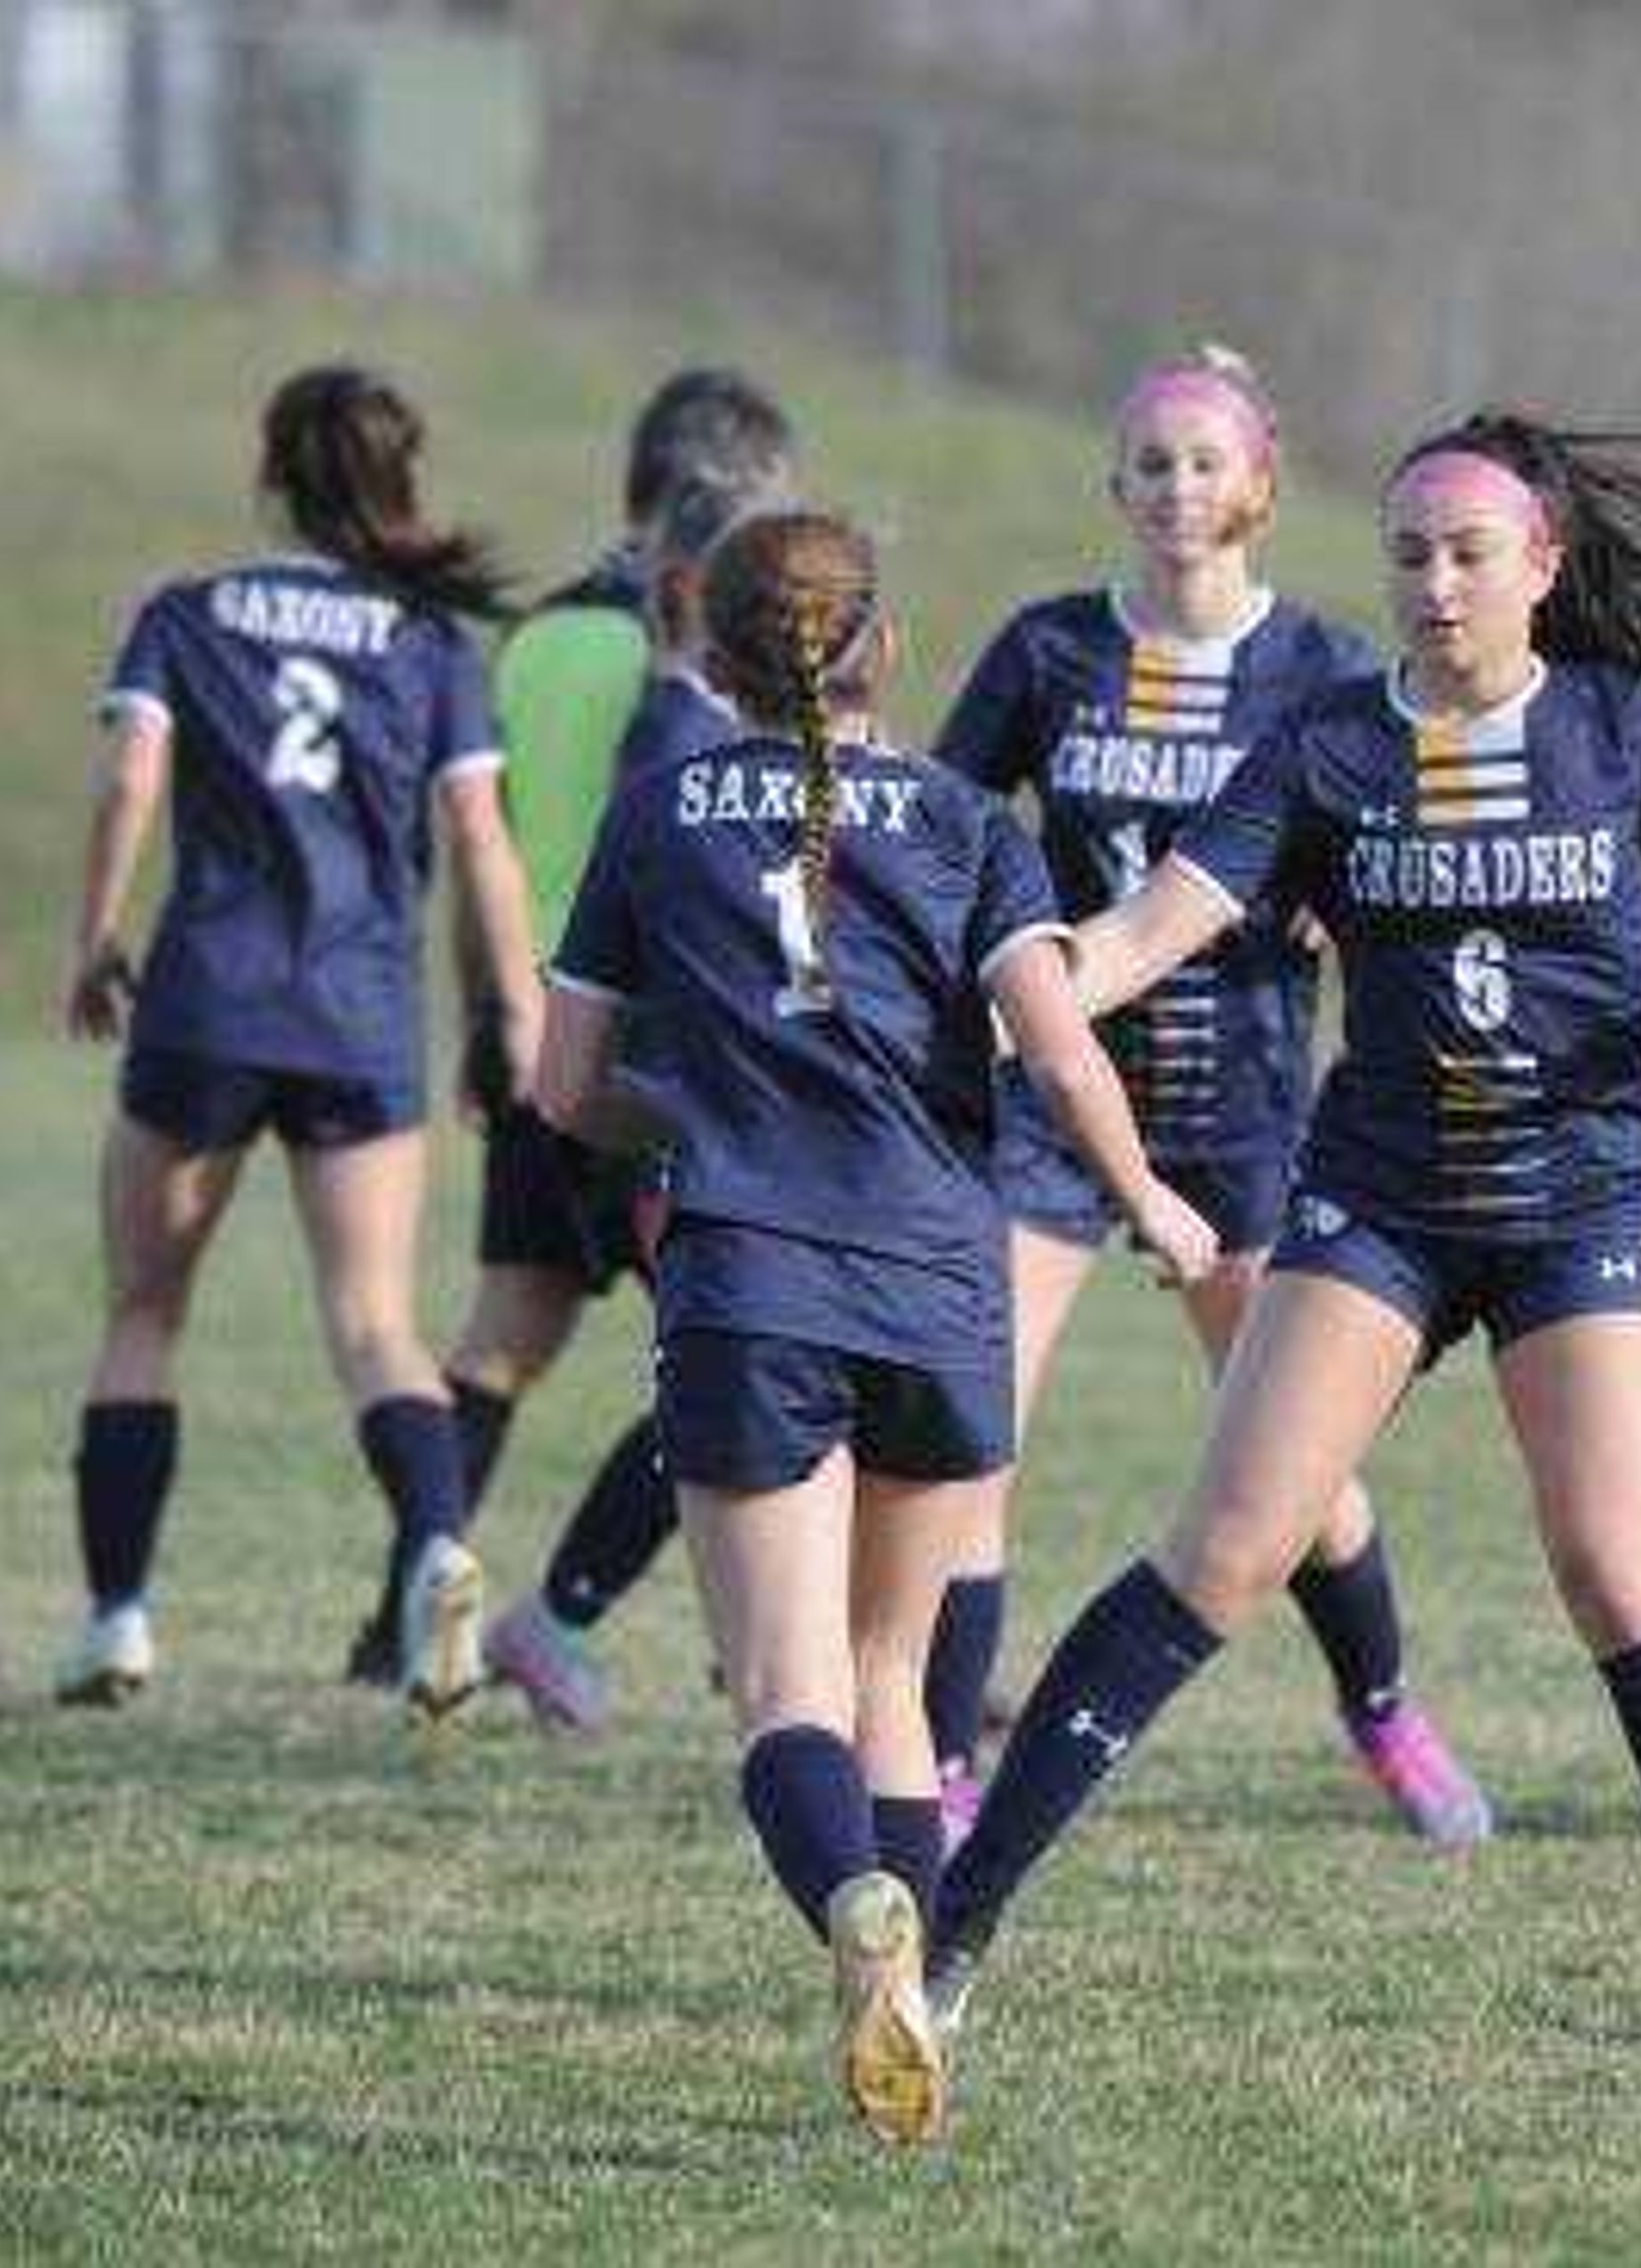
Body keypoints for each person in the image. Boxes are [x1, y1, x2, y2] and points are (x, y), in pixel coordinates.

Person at [927, 411, 1641, 2049]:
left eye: (1470, 553)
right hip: (1382, 1203)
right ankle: (950, 1934)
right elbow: (1140, 936)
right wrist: (993, 1006)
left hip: (1576, 1204)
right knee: (1225, 1553)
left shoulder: (1629, 727)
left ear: (1543, 568)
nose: (1434, 582)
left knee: (1624, 1577)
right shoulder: (1329, 747)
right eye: (1409, 552)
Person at [536, 508, 1214, 2142]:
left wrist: (693, 1116)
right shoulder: (974, 821)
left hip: (750, 1281)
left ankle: (856, 1903)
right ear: (882, 650)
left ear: (715, 653)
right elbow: (1060, 1056)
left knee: (784, 1691)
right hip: (939, 1285)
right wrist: (1150, 1198)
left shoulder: (657, 810)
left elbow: (564, 1088)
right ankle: (910, 1997)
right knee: (892, 1673)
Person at [927, 346, 1487, 1844]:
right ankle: (943, 1760)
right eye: (1150, 462)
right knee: (971, 1424)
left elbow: (1414, 833)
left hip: (1240, 1110)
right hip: (1051, 1098)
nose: (1177, 487)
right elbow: (944, 827)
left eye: (1203, 461)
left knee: (1297, 1470)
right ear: (1116, 486)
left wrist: (1343, 894)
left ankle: (1381, 1714)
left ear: (1259, 484)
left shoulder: (1317, 668)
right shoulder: (1048, 649)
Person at [51, 363, 541, 1724]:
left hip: (206, 999)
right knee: (377, 1323)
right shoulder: (432, 645)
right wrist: (513, 1009)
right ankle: (439, 1548)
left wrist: (94, 934)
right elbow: (481, 843)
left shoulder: (186, 613)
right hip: (358, 1013)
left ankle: (117, 1620)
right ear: (401, 479)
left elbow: (130, 775)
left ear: (272, 471)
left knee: (144, 1314)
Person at [342, 370, 797, 1714]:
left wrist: (489, 1023)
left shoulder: (535, 643)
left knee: (500, 1344)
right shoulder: (704, 665)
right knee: (748, 1357)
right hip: (650, 1060)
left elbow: (484, 846)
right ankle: (667, 1627)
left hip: (531, 1032)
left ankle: (400, 1615)